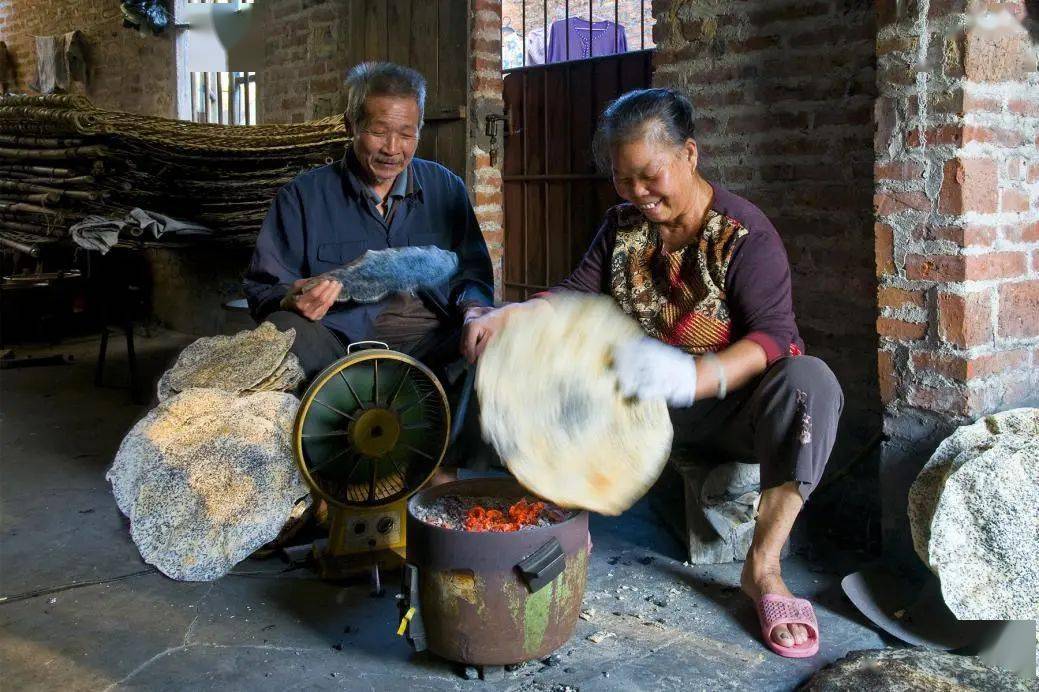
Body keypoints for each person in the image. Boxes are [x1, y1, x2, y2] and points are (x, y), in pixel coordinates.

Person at [462, 88, 843, 658]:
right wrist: (514, 313)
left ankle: (762, 570)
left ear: (689, 155)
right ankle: (561, 521)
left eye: (649, 175)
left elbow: (775, 337)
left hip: (726, 410)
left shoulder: (745, 235)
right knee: (550, 347)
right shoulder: (622, 228)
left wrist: (698, 377)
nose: (637, 193)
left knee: (811, 383)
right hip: (637, 409)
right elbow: (576, 294)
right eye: (622, 179)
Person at [243, 62, 494, 382]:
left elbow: (473, 271)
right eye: (378, 132)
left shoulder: (445, 187)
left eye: (406, 134)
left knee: (501, 330)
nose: (392, 149)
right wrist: (289, 299)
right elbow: (262, 288)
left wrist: (475, 310)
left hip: (433, 344)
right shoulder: (302, 198)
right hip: (338, 349)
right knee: (284, 329)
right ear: (351, 126)